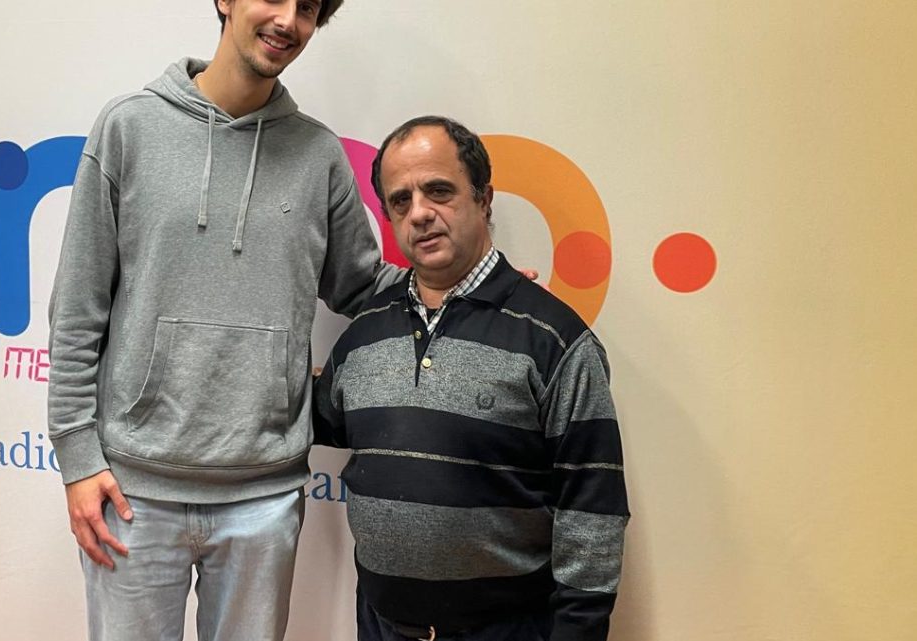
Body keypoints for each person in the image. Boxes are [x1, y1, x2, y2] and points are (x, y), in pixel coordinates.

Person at [46, 2, 404, 640]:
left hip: (263, 500)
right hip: (132, 492)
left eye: (309, 8)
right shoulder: (128, 128)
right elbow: (77, 309)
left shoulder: (318, 154)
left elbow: (361, 285)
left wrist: (461, 292)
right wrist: (77, 459)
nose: (289, 21)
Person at [314, 116, 630, 641]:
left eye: (439, 191)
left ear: (484, 197)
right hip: (382, 626)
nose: (419, 214)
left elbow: (591, 510)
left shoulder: (553, 339)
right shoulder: (366, 330)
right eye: (400, 200)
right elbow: (321, 421)